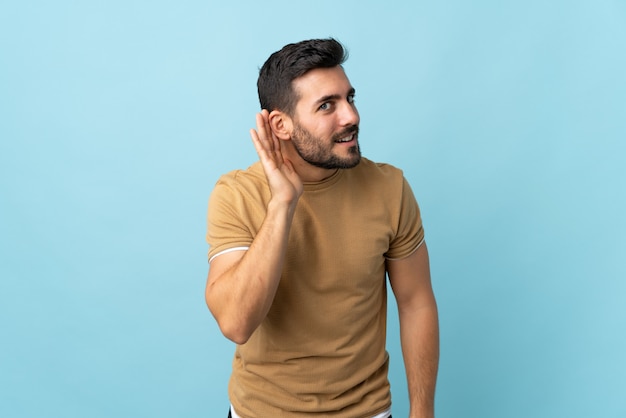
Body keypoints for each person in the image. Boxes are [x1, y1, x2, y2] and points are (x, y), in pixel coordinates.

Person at [205, 38, 439, 418]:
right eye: (327, 105)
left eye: (350, 98)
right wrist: (283, 203)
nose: (351, 116)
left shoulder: (390, 188)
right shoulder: (237, 195)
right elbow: (236, 323)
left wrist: (422, 411)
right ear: (281, 124)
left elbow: (416, 302)